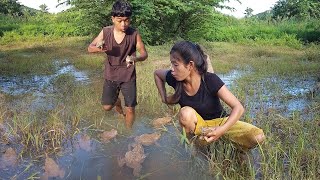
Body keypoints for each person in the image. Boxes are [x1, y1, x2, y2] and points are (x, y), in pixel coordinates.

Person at [154, 41, 265, 150]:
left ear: (190, 65)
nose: (172, 69)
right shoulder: (175, 78)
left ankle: (234, 149)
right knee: (185, 113)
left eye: (175, 64)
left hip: (220, 123)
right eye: (171, 64)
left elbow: (238, 108)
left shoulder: (210, 79)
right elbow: (157, 74)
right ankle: (195, 147)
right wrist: (163, 97)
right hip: (201, 128)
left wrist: (221, 130)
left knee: (258, 136)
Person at [88, 0, 148, 128]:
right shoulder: (106, 32)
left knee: (130, 108)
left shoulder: (134, 34)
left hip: (128, 76)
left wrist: (134, 58)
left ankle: (128, 132)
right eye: (120, 20)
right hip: (111, 74)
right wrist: (100, 48)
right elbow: (90, 48)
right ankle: (117, 102)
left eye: (127, 20)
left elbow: (144, 54)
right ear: (113, 18)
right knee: (106, 107)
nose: (124, 24)